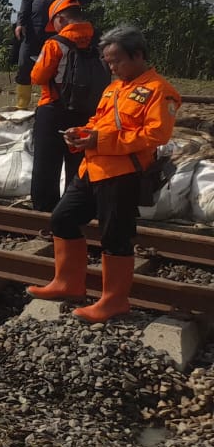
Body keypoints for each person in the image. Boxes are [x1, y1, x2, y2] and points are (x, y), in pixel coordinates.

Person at [27, 26, 180, 323]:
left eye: (116, 61)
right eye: (108, 62)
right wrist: (81, 134)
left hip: (123, 174)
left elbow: (156, 135)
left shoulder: (160, 91)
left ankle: (114, 302)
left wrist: (100, 140)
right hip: (92, 169)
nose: (112, 67)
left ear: (138, 55)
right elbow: (99, 121)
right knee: (62, 218)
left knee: (115, 236)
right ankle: (68, 283)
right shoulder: (113, 88)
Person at [13, 0, 105, 109]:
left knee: (58, 67)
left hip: (61, 29)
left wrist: (78, 2)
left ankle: (53, 103)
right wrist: (20, 23)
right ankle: (21, 107)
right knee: (24, 64)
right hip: (34, 26)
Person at [27, 0, 98, 211]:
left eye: (54, 23)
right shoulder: (98, 42)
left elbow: (37, 77)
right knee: (78, 164)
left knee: (46, 166)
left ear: (60, 18)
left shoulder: (55, 44)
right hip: (88, 111)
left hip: (53, 109)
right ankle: (74, 209)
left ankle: (44, 210)